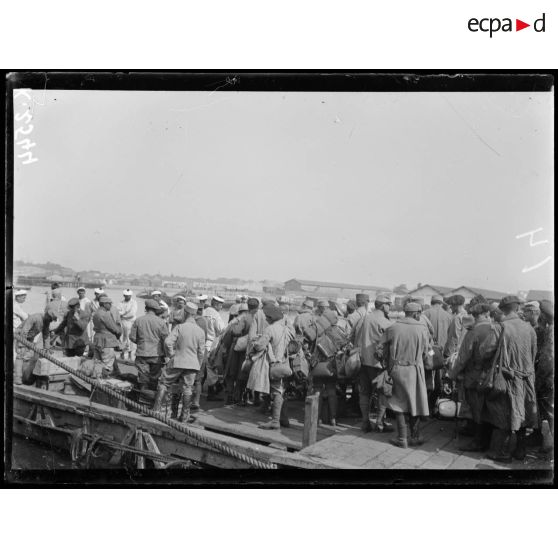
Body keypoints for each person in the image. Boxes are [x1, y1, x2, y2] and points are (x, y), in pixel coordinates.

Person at [479, 295, 537, 463]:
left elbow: (485, 352)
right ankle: (520, 450)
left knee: (503, 412)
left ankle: (502, 453)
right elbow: (533, 354)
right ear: (517, 308)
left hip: (507, 377)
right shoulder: (529, 328)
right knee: (523, 412)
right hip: (526, 377)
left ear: (502, 309)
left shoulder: (500, 328)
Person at [379, 302, 430, 448]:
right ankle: (415, 436)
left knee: (398, 403)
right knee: (415, 402)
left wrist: (386, 362)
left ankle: (402, 438)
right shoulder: (422, 329)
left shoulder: (393, 327)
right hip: (415, 370)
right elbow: (427, 352)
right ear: (416, 313)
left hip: (397, 369)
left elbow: (379, 348)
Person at [448, 303, 494, 451]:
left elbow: (463, 358)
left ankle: (478, 442)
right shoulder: (495, 327)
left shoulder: (473, 331)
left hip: (475, 375)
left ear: (475, 316)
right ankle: (486, 439)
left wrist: (452, 374)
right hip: (491, 375)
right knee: (487, 408)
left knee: (476, 408)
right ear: (486, 313)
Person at [153, 302, 205, 423]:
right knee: (188, 388)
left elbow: (167, 342)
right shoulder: (200, 331)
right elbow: (201, 352)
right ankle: (185, 416)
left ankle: (156, 410)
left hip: (178, 361)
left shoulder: (180, 327)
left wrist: (171, 355)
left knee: (164, 383)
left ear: (186, 313)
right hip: (193, 364)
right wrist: (198, 364)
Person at [352, 294, 394, 432]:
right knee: (382, 393)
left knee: (364, 393)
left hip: (362, 362)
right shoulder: (385, 322)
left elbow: (353, 336)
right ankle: (379, 423)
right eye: (389, 304)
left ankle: (365, 423)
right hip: (378, 364)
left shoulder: (364, 318)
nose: (390, 307)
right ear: (383, 305)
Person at [250, 304, 294, 430]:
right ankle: (284, 419)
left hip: (274, 364)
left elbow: (260, 346)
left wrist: (255, 343)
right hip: (285, 364)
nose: (266, 319)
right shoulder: (287, 329)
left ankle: (275, 421)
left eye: (267, 317)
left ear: (270, 317)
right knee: (282, 391)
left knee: (276, 392)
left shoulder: (270, 329)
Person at [129, 299, 169, 400]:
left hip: (142, 353)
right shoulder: (161, 322)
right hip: (156, 355)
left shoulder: (138, 320)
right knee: (154, 379)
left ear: (146, 309)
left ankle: (142, 399)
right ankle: (153, 401)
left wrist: (142, 343)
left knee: (143, 379)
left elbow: (132, 337)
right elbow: (166, 340)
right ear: (156, 310)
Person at [14, 307, 57, 385]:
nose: (50, 321)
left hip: (30, 338)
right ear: (47, 315)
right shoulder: (35, 317)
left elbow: (46, 335)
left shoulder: (46, 322)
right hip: (21, 336)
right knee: (20, 356)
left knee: (28, 356)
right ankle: (17, 378)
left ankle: (25, 377)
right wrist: (23, 343)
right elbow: (24, 330)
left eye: (51, 320)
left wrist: (47, 348)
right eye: (50, 319)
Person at [534, 300, 554, 454]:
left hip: (549, 379)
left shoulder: (551, 332)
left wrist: (539, 379)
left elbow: (547, 360)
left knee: (550, 413)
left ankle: (549, 447)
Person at [223, 303, 252, 404]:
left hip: (235, 349)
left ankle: (230, 396)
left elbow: (233, 332)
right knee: (243, 373)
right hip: (248, 350)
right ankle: (240, 397)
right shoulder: (254, 318)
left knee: (231, 373)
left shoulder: (238, 320)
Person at [92, 296, 122, 378]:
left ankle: (96, 381)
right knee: (107, 364)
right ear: (104, 304)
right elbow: (114, 328)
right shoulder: (105, 314)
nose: (111, 306)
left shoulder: (96, 313)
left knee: (97, 363)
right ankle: (104, 381)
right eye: (109, 304)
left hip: (97, 340)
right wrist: (119, 331)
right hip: (107, 342)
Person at [203, 295, 226, 401]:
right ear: (217, 304)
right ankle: (212, 393)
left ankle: (203, 391)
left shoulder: (204, 311)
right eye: (221, 305)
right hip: (212, 344)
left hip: (202, 343)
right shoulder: (215, 315)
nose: (221, 308)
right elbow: (222, 329)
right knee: (211, 369)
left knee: (204, 368)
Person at [444, 295, 468, 363]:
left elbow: (454, 338)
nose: (450, 307)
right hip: (464, 351)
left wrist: (448, 354)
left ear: (456, 305)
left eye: (451, 305)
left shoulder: (457, 318)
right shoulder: (467, 315)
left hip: (454, 353)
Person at [117, 289, 138, 360]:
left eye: (128, 296)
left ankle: (130, 354)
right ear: (124, 295)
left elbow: (132, 313)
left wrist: (123, 314)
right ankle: (123, 353)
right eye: (126, 296)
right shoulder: (121, 302)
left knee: (131, 338)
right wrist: (125, 313)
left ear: (131, 296)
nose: (127, 297)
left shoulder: (134, 302)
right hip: (123, 322)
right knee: (124, 338)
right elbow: (118, 311)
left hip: (131, 322)